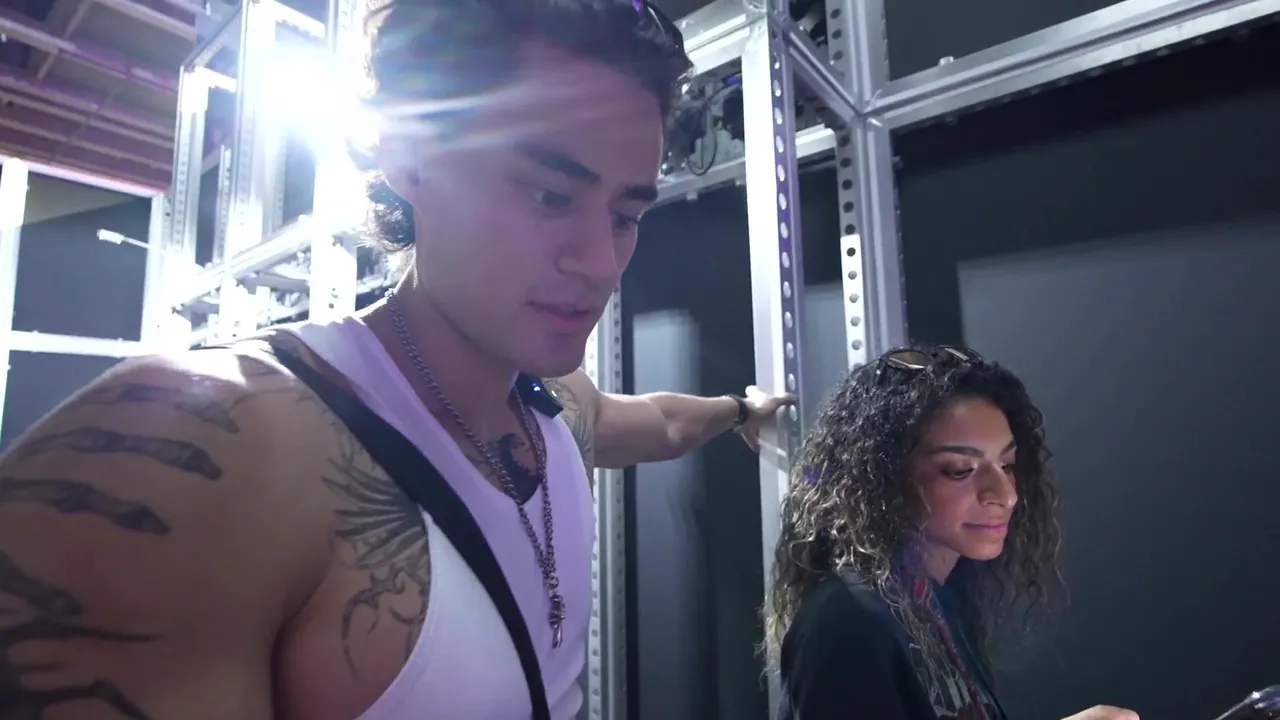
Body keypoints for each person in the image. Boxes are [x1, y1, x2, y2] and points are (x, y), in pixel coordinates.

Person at [0, 2, 793, 719]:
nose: (599, 263)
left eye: (624, 215)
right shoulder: (208, 449)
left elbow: (656, 422)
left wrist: (739, 410)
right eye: (550, 195)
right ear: (409, 158)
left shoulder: (556, 406)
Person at [766, 345, 1138, 720]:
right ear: (882, 479)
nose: (1005, 495)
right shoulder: (847, 622)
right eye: (960, 469)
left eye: (1007, 464)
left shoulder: (937, 604)